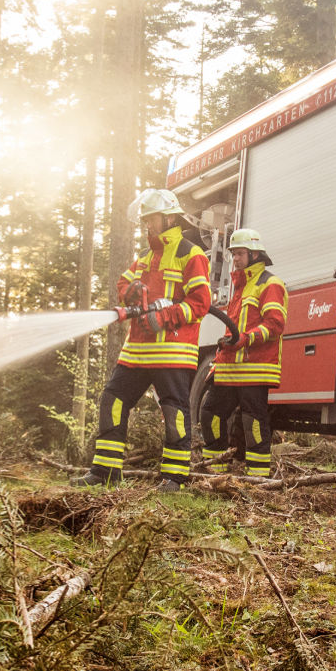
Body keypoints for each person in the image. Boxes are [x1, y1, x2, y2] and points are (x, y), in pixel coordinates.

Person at [76, 188, 213, 491]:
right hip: (137, 350)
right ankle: (105, 471)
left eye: (151, 220)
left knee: (174, 409)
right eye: (146, 221)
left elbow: (201, 303)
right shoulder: (145, 256)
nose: (147, 226)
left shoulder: (190, 254)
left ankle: (174, 478)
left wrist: (165, 317)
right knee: (113, 399)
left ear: (168, 218)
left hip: (172, 351)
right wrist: (131, 292)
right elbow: (123, 283)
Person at [200, 228, 287, 479]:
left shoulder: (269, 284)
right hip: (229, 367)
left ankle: (257, 478)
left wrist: (245, 340)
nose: (235, 259)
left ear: (255, 254)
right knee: (210, 413)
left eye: (239, 253)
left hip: (255, 368)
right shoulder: (239, 286)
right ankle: (215, 471)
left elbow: (275, 325)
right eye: (233, 254)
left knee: (253, 421)